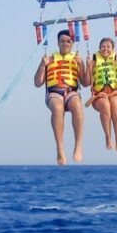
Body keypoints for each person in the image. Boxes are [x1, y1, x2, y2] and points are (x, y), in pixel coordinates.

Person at [34, 29, 88, 165]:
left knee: (76, 105)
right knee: (58, 108)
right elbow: (37, 83)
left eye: (68, 41)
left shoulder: (76, 59)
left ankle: (78, 146)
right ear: (58, 43)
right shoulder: (50, 59)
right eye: (62, 41)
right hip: (54, 92)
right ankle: (60, 148)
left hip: (71, 92)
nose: (65, 44)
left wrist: (82, 64)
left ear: (72, 43)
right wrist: (42, 65)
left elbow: (86, 83)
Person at [84, 37, 117, 151]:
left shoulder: (116, 60)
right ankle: (108, 136)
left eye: (108, 47)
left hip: (115, 92)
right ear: (99, 48)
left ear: (112, 49)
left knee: (115, 105)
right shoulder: (94, 60)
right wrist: (88, 66)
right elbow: (86, 83)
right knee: (105, 106)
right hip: (99, 95)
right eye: (103, 46)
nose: (105, 49)